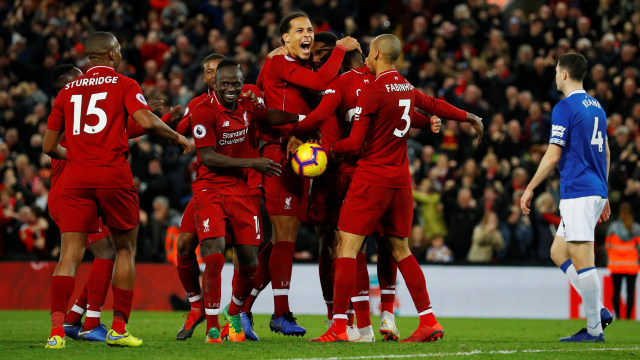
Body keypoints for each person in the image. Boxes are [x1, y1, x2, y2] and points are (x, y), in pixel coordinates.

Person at [311, 33, 483, 342]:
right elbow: (436, 106)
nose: (365, 59)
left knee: (346, 248)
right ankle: (428, 320)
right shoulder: (406, 87)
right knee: (401, 249)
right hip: (401, 181)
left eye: (369, 54)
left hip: (371, 179)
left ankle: (338, 326)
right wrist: (469, 117)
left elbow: (354, 143)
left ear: (375, 54)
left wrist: (325, 151)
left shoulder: (373, 91)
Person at [43, 32, 189, 349]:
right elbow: (143, 123)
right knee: (123, 250)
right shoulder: (124, 84)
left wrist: (81, 156)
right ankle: (116, 327)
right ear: (111, 54)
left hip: (75, 182)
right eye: (119, 49)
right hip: (111, 176)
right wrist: (176, 136)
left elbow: (48, 146)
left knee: (68, 257)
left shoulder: (67, 93)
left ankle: (58, 331)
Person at [249, 11, 360, 337]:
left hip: (303, 160)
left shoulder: (305, 69)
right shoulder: (283, 63)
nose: (307, 34)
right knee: (287, 238)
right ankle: (271, 311)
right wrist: (340, 47)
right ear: (285, 38)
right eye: (300, 30)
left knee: (283, 239)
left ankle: (241, 306)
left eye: (310, 29)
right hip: (279, 155)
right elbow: (311, 86)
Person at [189, 59, 287, 344]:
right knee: (216, 252)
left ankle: (233, 312)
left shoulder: (248, 105)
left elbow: (269, 117)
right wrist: (254, 162)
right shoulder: (203, 111)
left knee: (249, 263)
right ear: (215, 85)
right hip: (210, 189)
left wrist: (303, 119)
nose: (231, 89)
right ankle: (211, 325)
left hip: (242, 192)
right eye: (225, 84)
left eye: (236, 84)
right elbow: (207, 157)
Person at [521, 53, 612, 342]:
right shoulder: (596, 106)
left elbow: (553, 154)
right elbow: (606, 152)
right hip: (594, 188)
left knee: (584, 259)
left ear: (563, 74)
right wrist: (605, 192)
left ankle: (595, 329)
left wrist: (530, 186)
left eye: (556, 71)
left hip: (579, 191)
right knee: (558, 252)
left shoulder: (565, 107)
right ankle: (599, 310)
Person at [605, 202, 639, 320]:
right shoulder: (636, 228)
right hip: (632, 266)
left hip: (616, 265)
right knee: (630, 293)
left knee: (616, 292)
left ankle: (618, 317)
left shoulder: (613, 227)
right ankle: (629, 318)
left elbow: (607, 246)